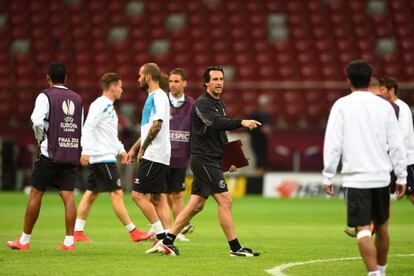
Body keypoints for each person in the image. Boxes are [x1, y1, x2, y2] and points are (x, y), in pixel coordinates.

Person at [146, 66, 261, 257]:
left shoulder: (220, 104)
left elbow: (220, 132)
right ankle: (235, 248)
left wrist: (230, 158)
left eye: (221, 79)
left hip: (212, 159)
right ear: (206, 82)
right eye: (215, 79)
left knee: (196, 205)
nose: (219, 82)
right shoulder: (202, 104)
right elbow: (215, 123)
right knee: (225, 199)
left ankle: (167, 241)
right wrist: (241, 122)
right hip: (204, 160)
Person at [323, 60, 407, 276]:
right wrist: (402, 176)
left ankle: (373, 274)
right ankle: (382, 270)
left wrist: (328, 175)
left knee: (362, 230)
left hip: (356, 179)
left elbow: (333, 143)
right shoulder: (384, 106)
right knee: (382, 228)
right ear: (370, 80)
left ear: (348, 80)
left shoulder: (341, 105)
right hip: (381, 177)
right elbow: (397, 144)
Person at [7, 61, 83, 251]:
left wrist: (41, 139)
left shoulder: (45, 96)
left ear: (48, 78)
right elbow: (79, 127)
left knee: (36, 193)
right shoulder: (78, 98)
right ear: (66, 78)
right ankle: (69, 242)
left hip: (50, 153)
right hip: (70, 152)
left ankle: (24, 241)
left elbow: (37, 122)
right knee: (68, 195)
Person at [73, 73, 153, 243]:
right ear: (112, 87)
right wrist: (85, 150)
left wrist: (121, 151)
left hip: (104, 155)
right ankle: (133, 232)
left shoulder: (109, 107)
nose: (122, 90)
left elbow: (110, 135)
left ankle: (77, 231)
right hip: (102, 157)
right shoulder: (100, 105)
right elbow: (88, 128)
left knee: (91, 193)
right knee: (117, 193)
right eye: (120, 86)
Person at [127, 63, 171, 246]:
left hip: (155, 153)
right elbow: (148, 129)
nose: (138, 79)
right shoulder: (152, 97)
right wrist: (134, 148)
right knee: (157, 198)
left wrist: (144, 147)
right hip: (154, 151)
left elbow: (156, 126)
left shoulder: (159, 97)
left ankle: (161, 237)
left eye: (140, 75)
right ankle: (167, 236)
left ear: (147, 77)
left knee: (137, 195)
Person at [165, 68, 195, 241]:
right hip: (161, 156)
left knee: (176, 195)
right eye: (170, 81)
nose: (173, 85)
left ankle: (176, 230)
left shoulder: (192, 105)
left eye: (176, 81)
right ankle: (167, 227)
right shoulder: (162, 102)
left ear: (184, 83)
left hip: (180, 157)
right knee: (160, 194)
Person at [379, 76, 414, 204]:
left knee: (411, 195)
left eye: (382, 89)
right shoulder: (387, 108)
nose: (379, 93)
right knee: (382, 196)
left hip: (406, 159)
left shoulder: (402, 108)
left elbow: (402, 135)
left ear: (391, 90)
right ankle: (373, 224)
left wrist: (386, 147)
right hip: (392, 159)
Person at [248, 94, 272, 175]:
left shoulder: (266, 115)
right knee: (259, 158)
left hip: (263, 140)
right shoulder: (254, 114)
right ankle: (258, 176)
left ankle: (261, 174)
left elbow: (268, 127)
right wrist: (261, 130)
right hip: (256, 140)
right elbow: (249, 128)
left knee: (263, 158)